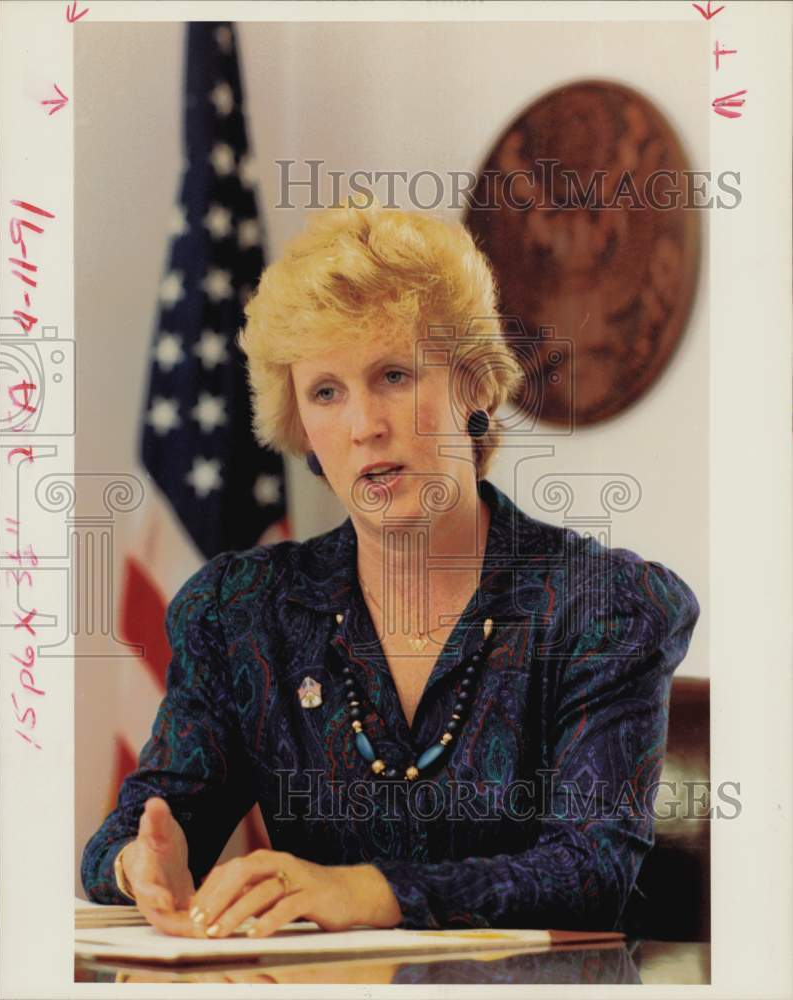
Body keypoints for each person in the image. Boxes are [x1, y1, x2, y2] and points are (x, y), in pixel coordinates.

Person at [81, 202, 700, 938]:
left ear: (472, 386)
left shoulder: (603, 606)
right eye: (325, 391)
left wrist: (369, 894)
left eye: (394, 375)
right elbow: (125, 837)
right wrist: (140, 862)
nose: (362, 425)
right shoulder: (241, 610)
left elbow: (588, 871)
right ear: (300, 424)